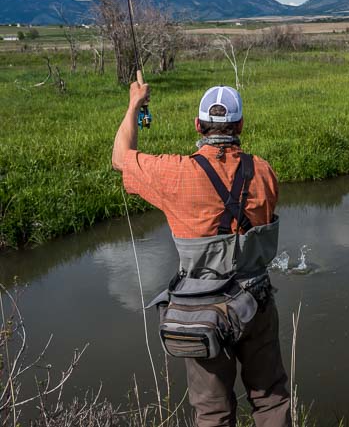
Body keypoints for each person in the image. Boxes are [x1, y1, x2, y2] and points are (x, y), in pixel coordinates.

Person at [112, 82, 290, 427]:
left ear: (198, 125)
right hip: (256, 302)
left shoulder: (175, 173)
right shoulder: (265, 172)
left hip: (201, 313)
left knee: (212, 412)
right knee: (270, 398)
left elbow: (121, 157)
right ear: (239, 126)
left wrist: (135, 104)